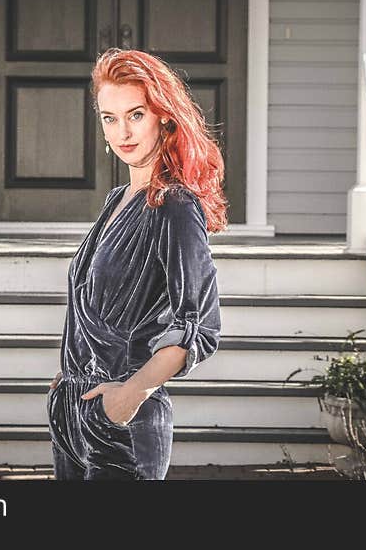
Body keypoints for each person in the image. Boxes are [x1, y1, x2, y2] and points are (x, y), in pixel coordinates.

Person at [46, 47, 228, 480]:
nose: (122, 131)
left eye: (136, 115)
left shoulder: (176, 206)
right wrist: (65, 378)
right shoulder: (117, 200)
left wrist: (130, 395)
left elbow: (199, 326)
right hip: (73, 411)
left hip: (123, 423)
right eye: (110, 118)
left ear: (164, 116)